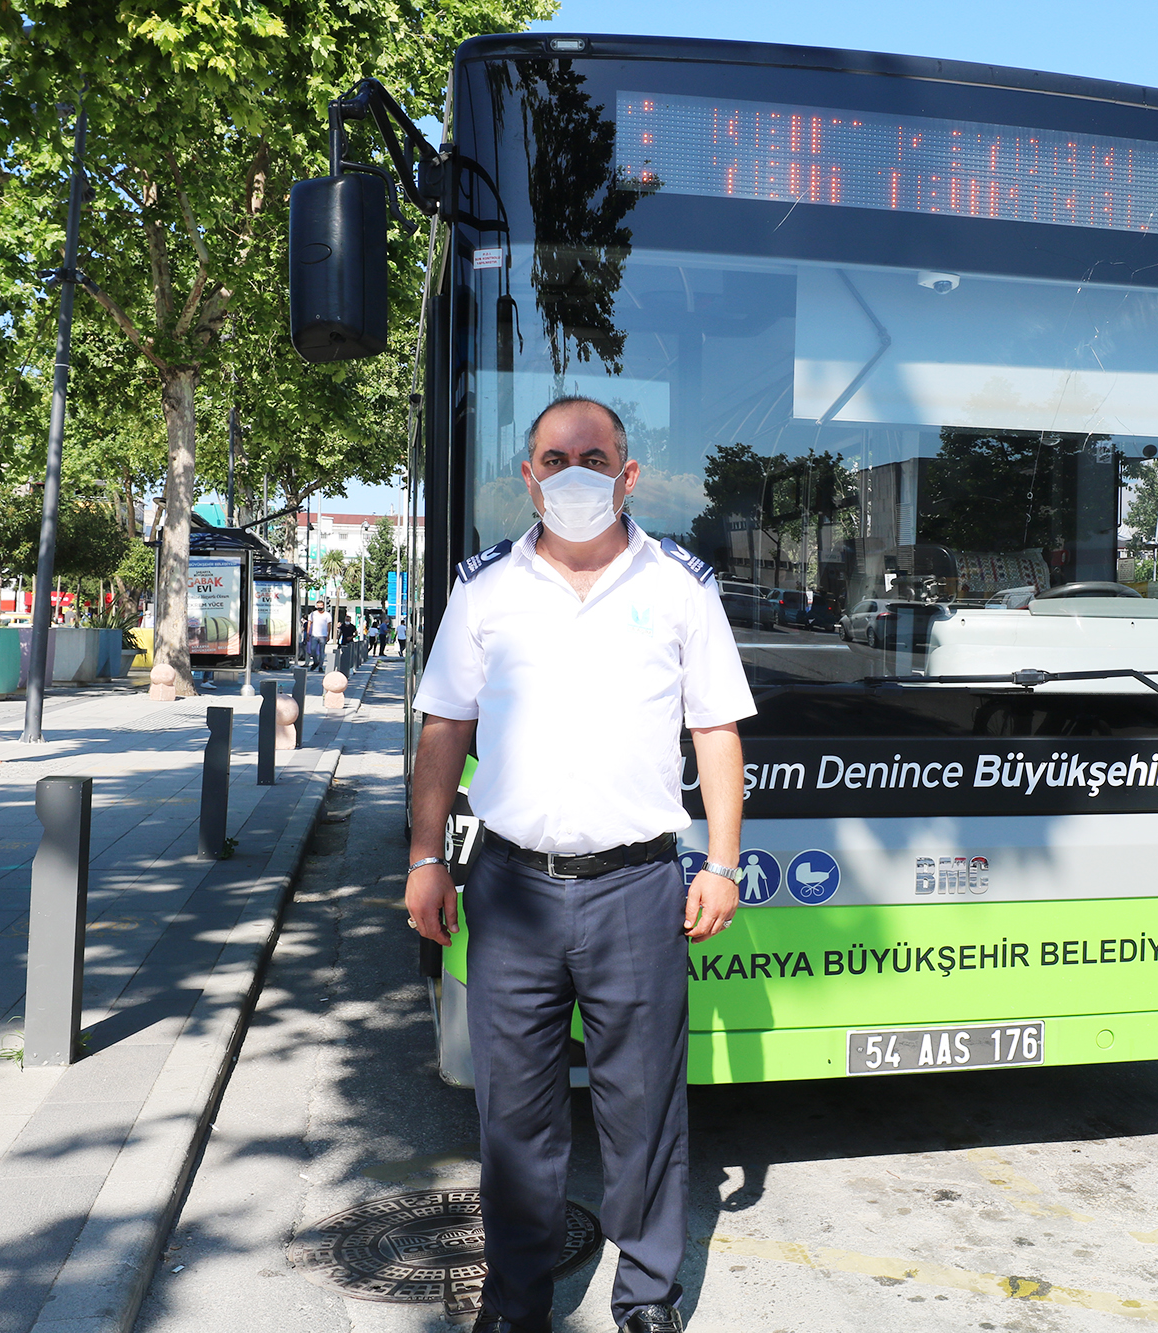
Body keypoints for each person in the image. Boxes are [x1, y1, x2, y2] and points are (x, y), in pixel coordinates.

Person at [405, 397, 753, 1333]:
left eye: (593, 457)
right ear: (528, 474)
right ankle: (517, 1303)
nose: (573, 474)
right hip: (510, 887)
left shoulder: (681, 584)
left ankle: (646, 1296)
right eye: (553, 458)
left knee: (643, 1115)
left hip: (639, 888)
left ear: (628, 474)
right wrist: (424, 857)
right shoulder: (485, 589)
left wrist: (720, 862)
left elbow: (714, 728)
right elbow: (445, 729)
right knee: (513, 1121)